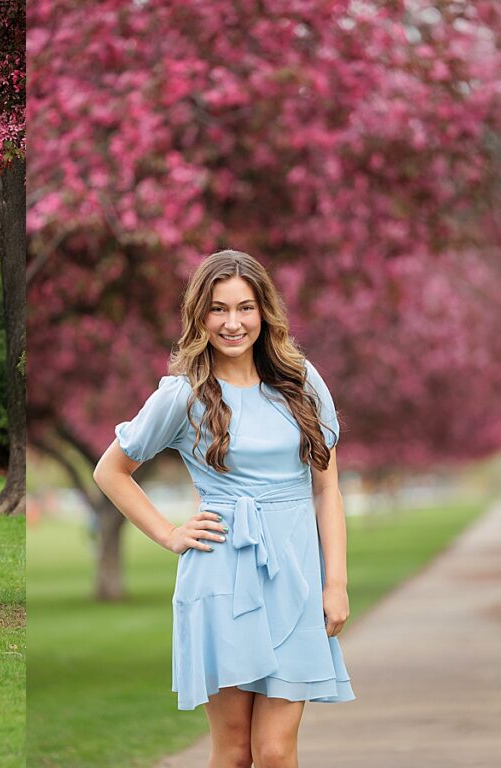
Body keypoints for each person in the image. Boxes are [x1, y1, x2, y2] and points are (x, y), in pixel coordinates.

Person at [93, 250, 354, 768]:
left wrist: (336, 582)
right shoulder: (183, 393)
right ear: (200, 316)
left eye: (245, 308)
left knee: (276, 752)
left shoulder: (302, 382)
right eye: (218, 309)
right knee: (233, 753)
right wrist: (170, 534)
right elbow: (110, 471)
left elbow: (326, 490)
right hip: (220, 577)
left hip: (296, 580)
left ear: (265, 312)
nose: (232, 323)